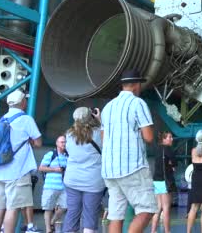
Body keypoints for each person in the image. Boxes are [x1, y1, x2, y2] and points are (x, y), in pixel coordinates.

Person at [101, 69, 157, 233]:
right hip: (132, 167)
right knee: (146, 210)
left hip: (109, 170)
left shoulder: (107, 107)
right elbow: (148, 137)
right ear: (136, 85)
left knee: (116, 215)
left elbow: (104, 139)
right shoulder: (138, 103)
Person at [0, 90, 42, 233]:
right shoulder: (26, 119)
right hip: (17, 172)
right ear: (23, 102)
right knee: (12, 209)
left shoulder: (1, 120)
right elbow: (38, 142)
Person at [63, 107, 105, 233]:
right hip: (93, 182)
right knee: (90, 216)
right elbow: (110, 139)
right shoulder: (99, 133)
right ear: (91, 116)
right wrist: (100, 120)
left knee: (72, 213)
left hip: (72, 180)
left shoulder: (69, 135)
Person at [39, 135, 68, 233]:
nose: (64, 144)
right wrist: (55, 169)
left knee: (65, 206)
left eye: (65, 142)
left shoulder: (67, 156)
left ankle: (52, 221)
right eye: (61, 142)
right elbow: (41, 168)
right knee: (48, 208)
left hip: (63, 187)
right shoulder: (50, 154)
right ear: (56, 143)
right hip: (50, 186)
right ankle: (48, 229)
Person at [151, 131, 176, 233]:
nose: (172, 139)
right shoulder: (168, 149)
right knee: (166, 208)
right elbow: (174, 163)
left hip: (156, 180)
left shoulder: (157, 149)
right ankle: (167, 231)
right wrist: (171, 164)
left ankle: (153, 231)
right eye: (169, 137)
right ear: (164, 139)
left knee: (158, 208)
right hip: (165, 181)